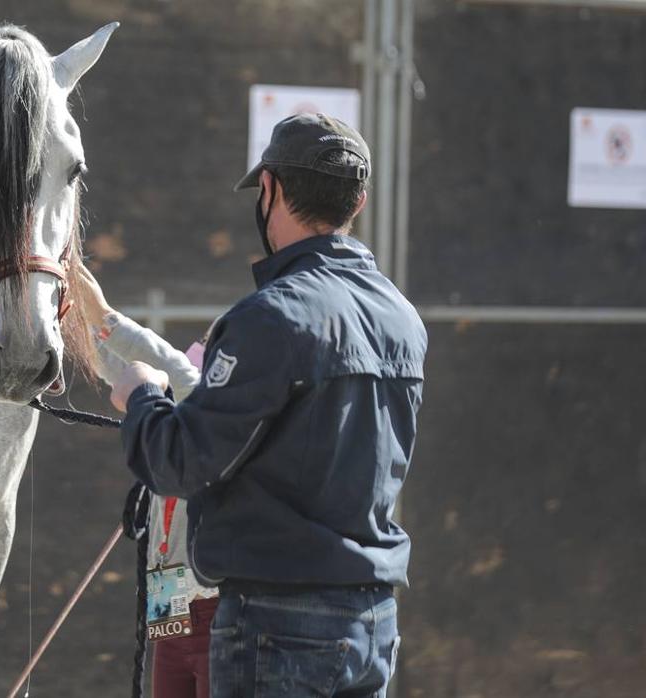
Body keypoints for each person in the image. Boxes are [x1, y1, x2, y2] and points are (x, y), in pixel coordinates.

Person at [108, 113, 428, 697]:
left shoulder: (271, 317)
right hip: (373, 621)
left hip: (277, 624)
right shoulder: (402, 318)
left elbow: (180, 463)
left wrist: (141, 397)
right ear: (356, 199)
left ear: (272, 190)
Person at [70, 262, 218, 698]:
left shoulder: (218, 405)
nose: (203, 345)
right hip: (167, 602)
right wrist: (74, 320)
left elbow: (170, 368)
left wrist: (102, 316)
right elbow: (120, 369)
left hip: (216, 608)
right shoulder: (184, 409)